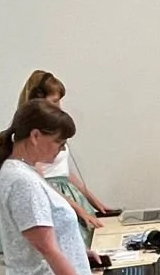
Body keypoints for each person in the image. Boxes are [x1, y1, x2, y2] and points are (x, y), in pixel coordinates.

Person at [0, 100, 110, 275]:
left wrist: (78, 253)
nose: (61, 149)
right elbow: (46, 248)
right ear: (35, 136)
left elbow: (44, 233)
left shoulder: (23, 172)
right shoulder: (23, 182)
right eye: (58, 142)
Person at [16, 71, 116, 232]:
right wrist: (79, 210)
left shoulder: (53, 132)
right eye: (54, 101)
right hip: (55, 197)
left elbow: (65, 172)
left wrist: (94, 201)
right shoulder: (36, 138)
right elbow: (42, 183)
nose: (59, 107)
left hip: (69, 196)